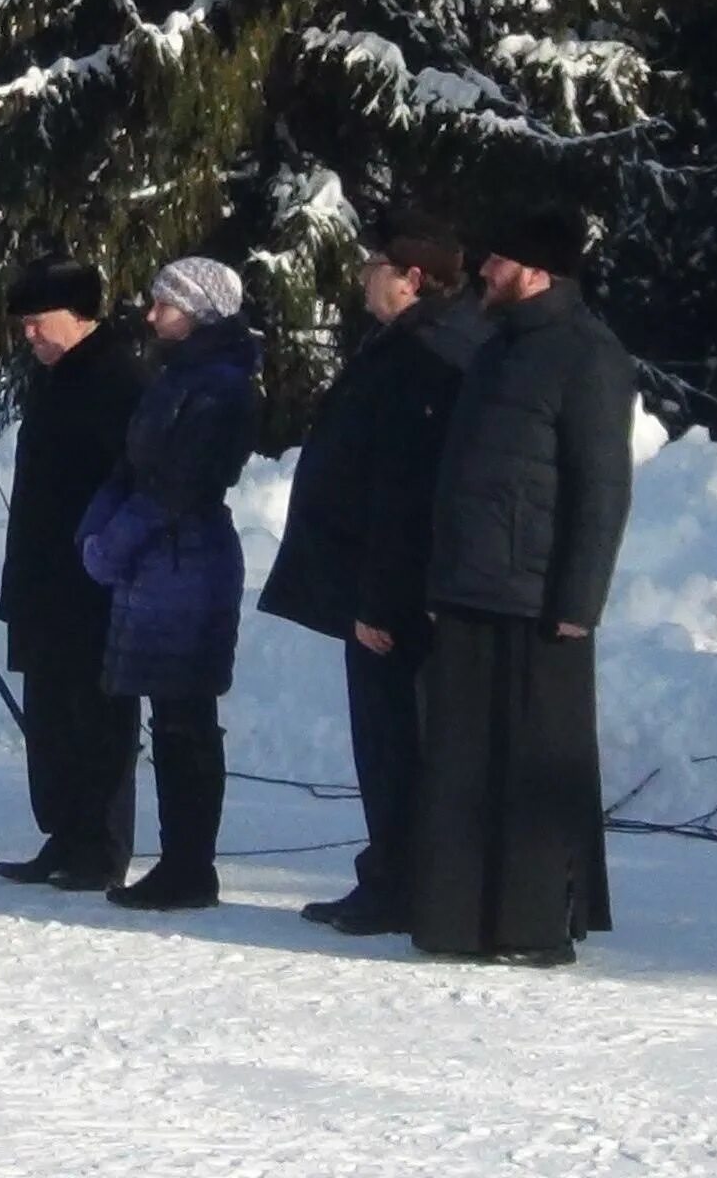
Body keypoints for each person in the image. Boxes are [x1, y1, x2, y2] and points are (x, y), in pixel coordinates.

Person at [413, 203, 635, 968]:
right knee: (462, 765)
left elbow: (602, 487)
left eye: (497, 260)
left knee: (536, 769)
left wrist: (579, 600)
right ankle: (459, 919)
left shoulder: (587, 354)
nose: (482, 271)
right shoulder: (495, 348)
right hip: (471, 586)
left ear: (537, 270)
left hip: (539, 600)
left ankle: (534, 925)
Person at [257, 224, 488, 936]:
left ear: (413, 277)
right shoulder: (407, 343)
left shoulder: (428, 352)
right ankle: (390, 872)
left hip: (395, 594)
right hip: (374, 582)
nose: (364, 277)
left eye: (376, 266)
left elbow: (406, 491)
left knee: (397, 744)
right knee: (384, 742)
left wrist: (379, 598)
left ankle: (403, 882)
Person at [77, 256, 259, 911]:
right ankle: (179, 859)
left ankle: (189, 865)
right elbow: (135, 466)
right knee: (169, 718)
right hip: (157, 565)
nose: (151, 315)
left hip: (188, 564)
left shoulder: (219, 385)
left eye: (165, 304)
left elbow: (182, 484)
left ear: (202, 310)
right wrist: (98, 526)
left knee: (185, 720)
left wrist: (117, 540)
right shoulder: (175, 378)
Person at [0, 256, 150, 891]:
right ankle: (63, 831)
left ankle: (102, 846)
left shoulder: (119, 379)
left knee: (99, 718)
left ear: (79, 316)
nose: (27, 335)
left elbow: (132, 482)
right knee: (51, 716)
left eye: (37, 321)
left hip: (94, 582)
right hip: (44, 576)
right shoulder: (54, 378)